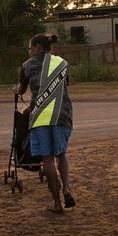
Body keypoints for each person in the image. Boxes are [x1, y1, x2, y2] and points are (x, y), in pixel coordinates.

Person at [16, 34, 75, 213]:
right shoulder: (63, 64)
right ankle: (66, 189)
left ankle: (57, 203)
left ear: (38, 47)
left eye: (30, 48)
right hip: (62, 115)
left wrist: (16, 89)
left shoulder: (27, 66)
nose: (29, 52)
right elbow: (65, 85)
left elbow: (22, 89)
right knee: (61, 155)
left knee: (47, 159)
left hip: (40, 117)